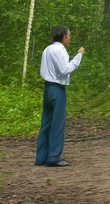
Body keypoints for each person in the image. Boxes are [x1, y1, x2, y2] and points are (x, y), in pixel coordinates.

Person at [35, 27, 85, 167]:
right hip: (57, 89)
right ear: (64, 37)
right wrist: (78, 56)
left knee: (46, 123)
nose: (70, 38)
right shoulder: (60, 50)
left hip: (48, 88)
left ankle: (41, 157)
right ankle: (54, 157)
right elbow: (65, 69)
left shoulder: (47, 49)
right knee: (57, 123)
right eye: (69, 35)